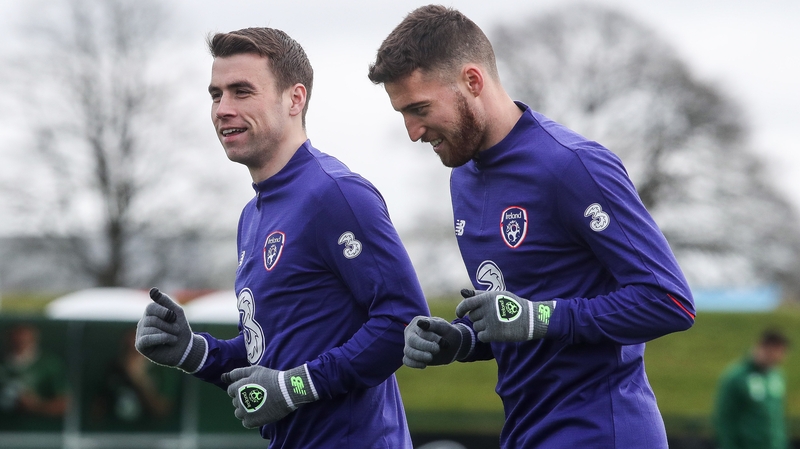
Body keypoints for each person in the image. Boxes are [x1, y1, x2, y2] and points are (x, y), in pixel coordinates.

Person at [368, 5, 696, 448]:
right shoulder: (463, 177)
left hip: (602, 431)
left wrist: (537, 318)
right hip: (525, 431)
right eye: (402, 113)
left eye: (420, 108)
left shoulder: (573, 165)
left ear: (472, 81)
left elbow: (670, 301)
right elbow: (522, 314)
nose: (412, 131)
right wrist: (464, 340)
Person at [134, 27, 429, 449]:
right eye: (216, 95)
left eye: (242, 92)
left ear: (295, 99)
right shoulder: (251, 218)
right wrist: (193, 352)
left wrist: (297, 386)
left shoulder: (337, 194)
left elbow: (403, 321)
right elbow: (271, 357)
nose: (223, 109)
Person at [713, 329, 790, 449]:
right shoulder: (736, 377)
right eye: (775, 353)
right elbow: (724, 419)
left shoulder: (777, 376)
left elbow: (777, 419)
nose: (778, 358)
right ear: (763, 348)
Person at [0, 323, 69, 431]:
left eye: (24, 342)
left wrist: (35, 406)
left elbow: (65, 404)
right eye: (15, 342)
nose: (19, 346)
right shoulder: (3, 364)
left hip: (37, 433)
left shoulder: (50, 364)